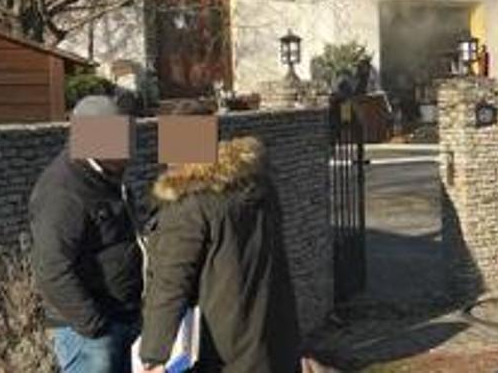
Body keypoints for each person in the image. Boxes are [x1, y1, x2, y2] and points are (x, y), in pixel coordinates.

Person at [138, 129, 303, 373]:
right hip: (277, 342)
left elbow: (170, 284)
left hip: (226, 351)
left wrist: (153, 356)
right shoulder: (258, 187)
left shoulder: (189, 206)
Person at [30, 95, 144, 373]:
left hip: (123, 318)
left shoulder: (108, 176)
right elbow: (51, 269)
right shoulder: (62, 191)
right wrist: (94, 326)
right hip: (90, 335)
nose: (127, 152)